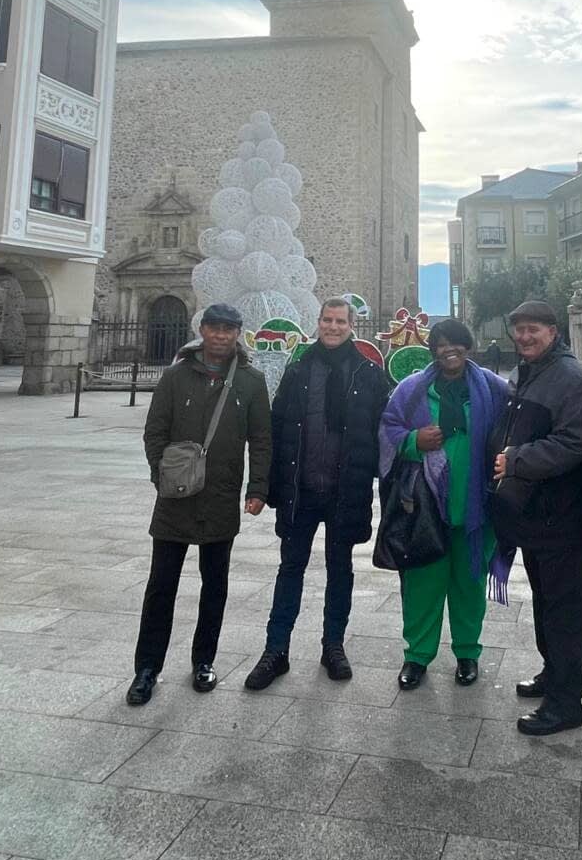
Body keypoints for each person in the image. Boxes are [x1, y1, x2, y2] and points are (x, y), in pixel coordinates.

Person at [244, 298, 392, 690]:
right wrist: (265, 487)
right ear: (318, 322)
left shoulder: (368, 374)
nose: (333, 326)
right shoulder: (298, 371)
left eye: (340, 321)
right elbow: (277, 428)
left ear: (351, 325)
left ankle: (333, 645)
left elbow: (384, 432)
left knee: (340, 570)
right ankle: (276, 650)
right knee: (290, 569)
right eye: (327, 320)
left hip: (345, 492)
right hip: (301, 490)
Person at [127, 303, 271, 706]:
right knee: (161, 586)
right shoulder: (175, 377)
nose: (221, 335)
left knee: (215, 585)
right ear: (202, 330)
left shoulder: (250, 381)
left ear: (238, 333)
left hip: (221, 495)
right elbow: (155, 431)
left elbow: (262, 439)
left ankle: (204, 660)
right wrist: (162, 474)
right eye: (214, 328)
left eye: (228, 329)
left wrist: (258, 488)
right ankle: (146, 668)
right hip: (175, 498)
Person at [377, 318, 512, 689]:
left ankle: (467, 653)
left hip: (477, 510)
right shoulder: (411, 390)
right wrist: (413, 441)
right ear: (433, 350)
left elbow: (515, 430)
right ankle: (417, 656)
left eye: (456, 342)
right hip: (424, 510)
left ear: (468, 346)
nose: (449, 350)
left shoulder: (495, 389)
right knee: (422, 585)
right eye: (440, 344)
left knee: (469, 585)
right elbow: (387, 430)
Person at [489, 298, 582, 735]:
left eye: (533, 329)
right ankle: (553, 674)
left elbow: (575, 442)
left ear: (553, 332)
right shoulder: (529, 373)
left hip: (565, 518)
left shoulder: (570, 379)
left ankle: (566, 703)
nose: (524, 336)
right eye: (519, 329)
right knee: (545, 603)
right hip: (536, 517)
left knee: (565, 611)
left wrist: (517, 459)